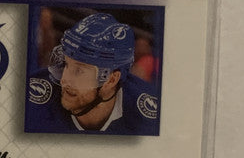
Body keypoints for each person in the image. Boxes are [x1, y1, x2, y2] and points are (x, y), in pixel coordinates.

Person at [25, 12, 160, 135]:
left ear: (111, 80)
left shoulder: (150, 114)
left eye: (79, 71)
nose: (64, 80)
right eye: (66, 65)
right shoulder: (33, 99)